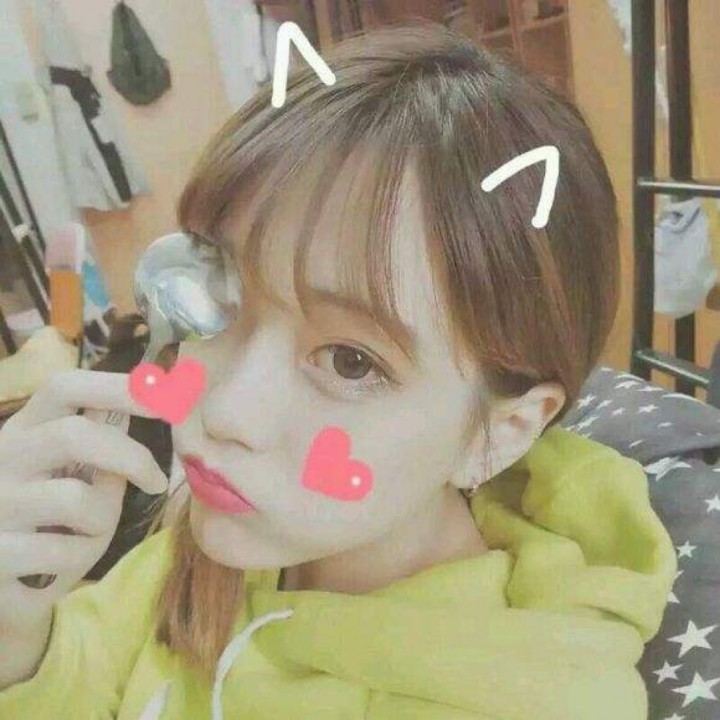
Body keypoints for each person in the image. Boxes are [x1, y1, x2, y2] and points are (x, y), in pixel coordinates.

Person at [0, 20, 676, 720]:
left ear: (502, 433)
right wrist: (16, 633)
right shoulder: (219, 541)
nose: (225, 411)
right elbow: (87, 669)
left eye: (352, 362)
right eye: (220, 295)